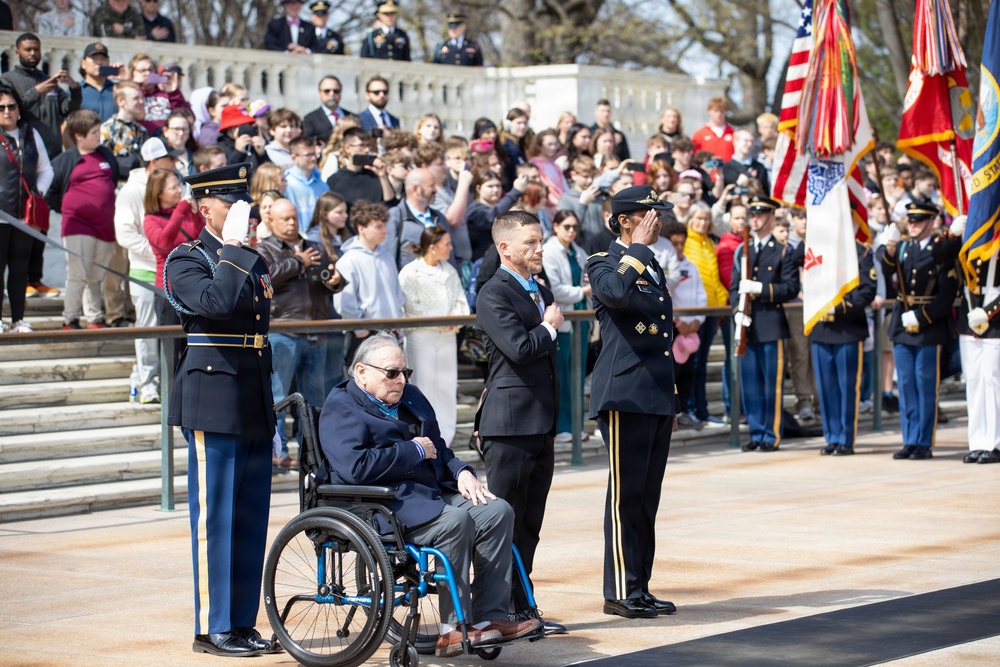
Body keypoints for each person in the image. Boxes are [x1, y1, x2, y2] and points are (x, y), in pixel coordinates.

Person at [319, 333, 542, 657]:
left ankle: (489, 619)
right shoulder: (341, 406)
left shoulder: (411, 396)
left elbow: (439, 448)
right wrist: (412, 451)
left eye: (404, 372)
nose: (400, 380)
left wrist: (461, 471)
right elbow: (355, 467)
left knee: (497, 511)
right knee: (455, 521)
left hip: (427, 491)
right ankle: (452, 629)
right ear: (361, 372)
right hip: (380, 502)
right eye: (391, 373)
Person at [162, 163, 277, 657]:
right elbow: (216, 303)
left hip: (251, 394)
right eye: (231, 205)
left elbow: (259, 329)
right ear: (205, 208)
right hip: (213, 399)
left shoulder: (249, 258)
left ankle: (241, 622)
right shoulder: (186, 259)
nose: (241, 215)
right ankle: (213, 628)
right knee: (217, 520)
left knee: (249, 517)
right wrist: (230, 248)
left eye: (243, 206)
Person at [585, 185, 678, 619]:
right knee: (626, 496)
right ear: (625, 220)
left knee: (647, 498)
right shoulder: (603, 262)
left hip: (655, 392)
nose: (657, 221)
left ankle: (640, 587)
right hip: (624, 393)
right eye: (649, 214)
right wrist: (637, 248)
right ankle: (620, 590)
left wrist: (671, 397)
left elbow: (662, 336)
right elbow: (615, 294)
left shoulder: (650, 263)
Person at [475, 210, 566, 632]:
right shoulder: (494, 292)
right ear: (505, 247)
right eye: (530, 242)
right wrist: (548, 328)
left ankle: (523, 605)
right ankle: (496, 610)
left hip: (540, 421)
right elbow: (519, 348)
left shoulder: (539, 289)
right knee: (503, 524)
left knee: (530, 523)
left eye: (539, 240)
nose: (539, 248)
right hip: (509, 424)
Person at [257, 197, 343, 470]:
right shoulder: (263, 248)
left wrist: (335, 281)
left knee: (314, 399)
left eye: (294, 217)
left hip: (316, 331)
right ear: (271, 221)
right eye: (285, 218)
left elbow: (328, 279)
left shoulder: (314, 246)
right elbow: (266, 277)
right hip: (283, 331)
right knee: (278, 396)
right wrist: (298, 261)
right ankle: (277, 452)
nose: (292, 222)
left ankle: (313, 454)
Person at [877, 202, 959, 460]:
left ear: (931, 222)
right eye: (910, 220)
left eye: (919, 220)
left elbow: (946, 296)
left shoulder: (940, 250)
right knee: (906, 386)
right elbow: (887, 270)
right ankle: (909, 439)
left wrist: (921, 317)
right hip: (902, 325)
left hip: (928, 327)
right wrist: (890, 246)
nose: (912, 225)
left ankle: (923, 441)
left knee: (925, 386)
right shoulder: (903, 247)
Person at [729, 195, 799, 452]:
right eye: (753, 214)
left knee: (771, 385)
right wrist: (737, 310)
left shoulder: (783, 250)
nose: (755, 219)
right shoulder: (743, 250)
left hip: (771, 324)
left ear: (771, 218)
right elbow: (734, 287)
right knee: (750, 385)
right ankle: (756, 432)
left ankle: (771, 435)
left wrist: (760, 289)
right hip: (748, 325)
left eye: (760, 214)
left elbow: (791, 288)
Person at [46, 110, 120, 330]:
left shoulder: (105, 154)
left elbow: (113, 179)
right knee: (78, 273)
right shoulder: (65, 160)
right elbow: (50, 191)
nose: (99, 136)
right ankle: (70, 318)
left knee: (96, 275)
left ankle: (94, 317)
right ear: (79, 135)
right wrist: (68, 208)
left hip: (105, 225)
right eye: (94, 132)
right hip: (77, 225)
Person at [398, 226, 470, 444]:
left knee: (447, 386)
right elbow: (410, 307)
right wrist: (442, 318)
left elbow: (461, 301)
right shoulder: (410, 272)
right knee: (423, 386)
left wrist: (455, 317)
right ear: (432, 247)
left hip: (447, 336)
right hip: (422, 336)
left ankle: (445, 438)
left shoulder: (449, 270)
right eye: (446, 244)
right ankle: (423, 436)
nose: (450, 248)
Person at [811, 241, 877, 456]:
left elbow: (867, 290)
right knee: (826, 387)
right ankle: (831, 436)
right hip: (821, 327)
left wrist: (838, 307)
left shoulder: (860, 252)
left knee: (847, 387)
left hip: (848, 328)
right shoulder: (818, 245)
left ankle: (845, 439)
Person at [0, 83, 53, 334]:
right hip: (1, 216)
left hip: (25, 217)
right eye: (1, 108)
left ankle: (18, 320)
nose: (7, 112)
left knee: (20, 269)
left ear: (19, 109)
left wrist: (36, 193)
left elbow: (46, 170)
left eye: (11, 106)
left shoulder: (31, 134)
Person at [334, 200, 404, 368]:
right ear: (361, 228)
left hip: (390, 331)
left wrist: (398, 322)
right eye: (378, 227)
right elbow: (345, 301)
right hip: (364, 333)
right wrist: (360, 329)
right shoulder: (349, 260)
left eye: (384, 226)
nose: (384, 231)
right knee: (362, 378)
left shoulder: (387, 257)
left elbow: (396, 293)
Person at [541, 210, 591, 443]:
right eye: (567, 226)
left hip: (581, 319)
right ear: (555, 226)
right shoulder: (549, 251)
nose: (571, 231)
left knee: (577, 375)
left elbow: (588, 278)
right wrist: (583, 291)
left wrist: (586, 289)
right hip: (561, 321)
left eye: (575, 227)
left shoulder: (579, 252)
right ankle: (561, 427)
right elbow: (555, 289)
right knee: (561, 375)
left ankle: (576, 426)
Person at [953, 215, 1000, 463]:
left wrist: (990, 311)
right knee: (973, 381)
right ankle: (978, 442)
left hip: (995, 322)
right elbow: (942, 261)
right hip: (969, 317)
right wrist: (953, 237)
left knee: (992, 382)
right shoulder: (971, 238)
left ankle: (995, 443)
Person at [683, 202, 728, 427]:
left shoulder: (710, 242)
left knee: (702, 362)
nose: (702, 223)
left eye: (706, 219)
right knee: (692, 361)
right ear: (690, 219)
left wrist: (721, 302)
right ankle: (690, 407)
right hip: (692, 312)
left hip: (711, 310)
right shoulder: (685, 242)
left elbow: (714, 276)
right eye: (698, 218)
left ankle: (702, 409)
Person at [663, 220, 707, 428]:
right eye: (675, 243)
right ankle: (670, 412)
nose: (679, 247)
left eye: (682, 243)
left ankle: (683, 412)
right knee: (672, 371)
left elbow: (701, 295)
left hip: (692, 329)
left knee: (689, 371)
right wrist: (678, 321)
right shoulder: (664, 268)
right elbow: (665, 297)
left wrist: (698, 320)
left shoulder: (692, 267)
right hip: (673, 327)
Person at [385, 167, 453, 269]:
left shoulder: (439, 217)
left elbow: (453, 254)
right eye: (431, 186)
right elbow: (388, 259)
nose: (435, 190)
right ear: (416, 189)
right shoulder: (395, 217)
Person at [326, 127, 394, 211]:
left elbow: (390, 204)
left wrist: (382, 176)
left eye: (368, 145)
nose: (367, 150)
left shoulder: (375, 175)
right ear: (347, 148)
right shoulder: (334, 180)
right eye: (362, 145)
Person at [466, 170, 527, 260]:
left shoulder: (501, 208)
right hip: (481, 262)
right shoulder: (474, 211)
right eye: (490, 186)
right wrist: (515, 191)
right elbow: (491, 217)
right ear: (478, 189)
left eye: (498, 186)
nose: (495, 190)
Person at [100, 81, 149, 178]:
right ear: (120, 101)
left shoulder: (141, 130)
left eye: (141, 98)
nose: (141, 101)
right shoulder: (107, 129)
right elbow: (103, 163)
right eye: (136, 98)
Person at [284, 135, 329, 232]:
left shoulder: (321, 184)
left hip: (319, 236)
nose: (313, 158)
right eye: (308, 155)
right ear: (294, 158)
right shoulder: (286, 183)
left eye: (314, 154)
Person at [528, 129, 568, 217]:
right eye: (549, 144)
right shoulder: (534, 164)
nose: (553, 147)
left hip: (561, 204)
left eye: (556, 144)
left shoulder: (554, 164)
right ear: (539, 146)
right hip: (548, 208)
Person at [302, 76, 354, 143]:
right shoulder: (310, 119)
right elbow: (308, 142)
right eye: (327, 91)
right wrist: (337, 131)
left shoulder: (352, 116)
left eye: (336, 91)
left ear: (340, 93)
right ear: (320, 93)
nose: (331, 94)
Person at [78, 42, 121, 122]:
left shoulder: (118, 90)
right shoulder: (76, 92)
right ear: (83, 63)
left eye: (103, 59)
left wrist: (126, 78)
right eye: (94, 59)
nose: (99, 63)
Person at [690, 96, 735, 163]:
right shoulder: (699, 134)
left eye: (722, 111)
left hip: (728, 169)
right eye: (715, 111)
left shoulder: (733, 133)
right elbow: (694, 157)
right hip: (707, 169)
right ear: (709, 111)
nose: (719, 114)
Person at [497, 108, 529, 190]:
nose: (522, 126)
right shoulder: (508, 147)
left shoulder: (520, 144)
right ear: (507, 124)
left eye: (525, 123)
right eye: (518, 123)